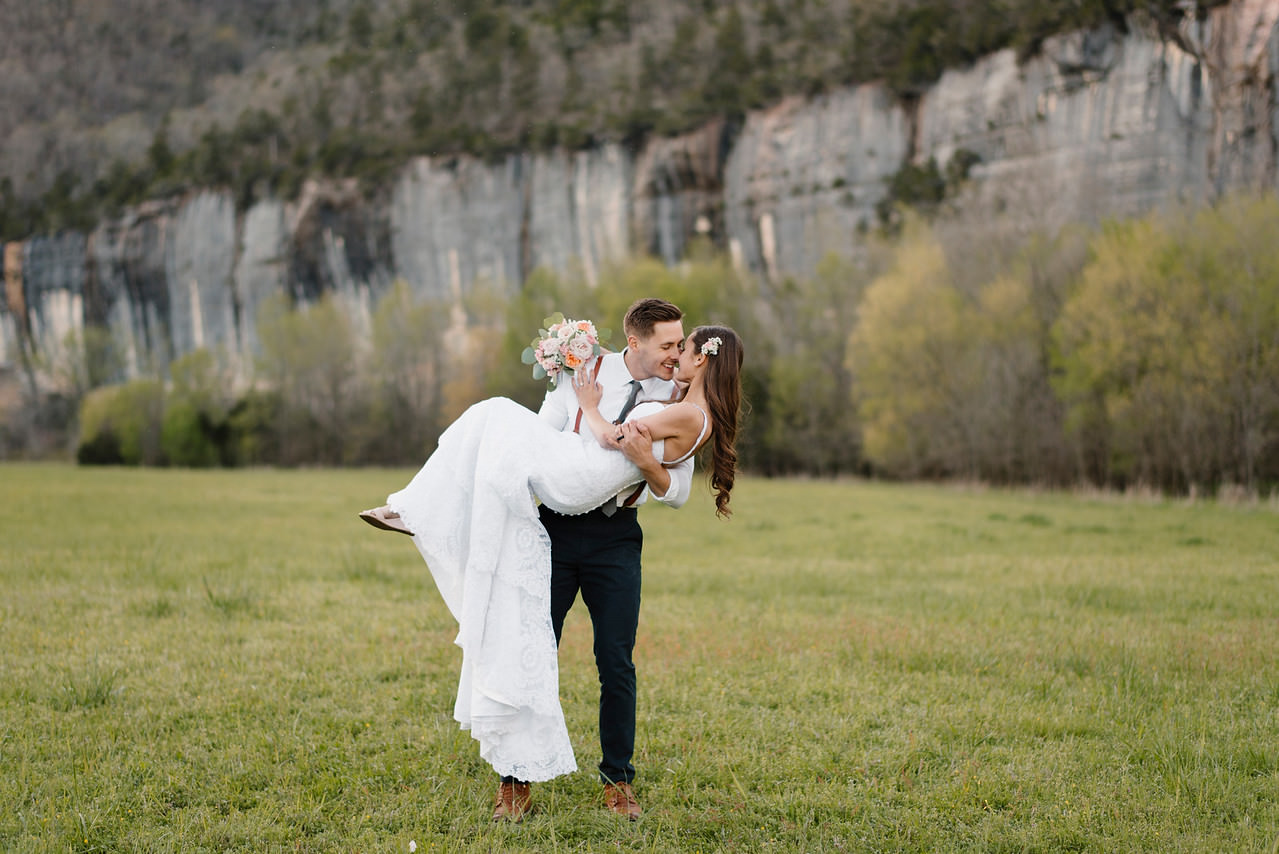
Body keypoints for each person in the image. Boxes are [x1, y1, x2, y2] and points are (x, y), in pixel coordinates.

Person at [359, 305, 743, 824]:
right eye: (669, 346)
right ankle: (514, 782)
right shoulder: (582, 374)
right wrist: (580, 401)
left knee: (616, 661)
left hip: (614, 537)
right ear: (636, 340)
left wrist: (629, 446)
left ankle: (617, 781)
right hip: (557, 527)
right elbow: (538, 439)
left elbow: (673, 493)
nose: (675, 356)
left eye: (683, 347)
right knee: (528, 644)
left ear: (700, 358)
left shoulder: (677, 399)